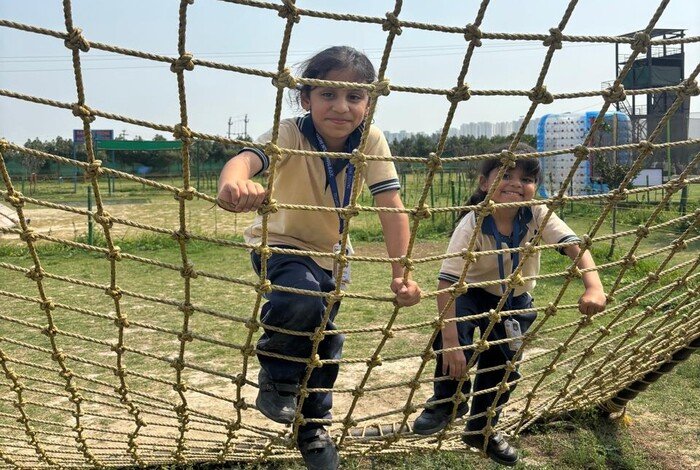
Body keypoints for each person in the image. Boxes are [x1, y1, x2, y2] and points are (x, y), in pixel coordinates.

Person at [217, 46, 421, 470]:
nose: (341, 107)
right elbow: (246, 160)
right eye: (328, 94)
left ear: (368, 104)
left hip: (332, 256)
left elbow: (391, 207)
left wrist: (400, 273)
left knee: (324, 341)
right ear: (305, 98)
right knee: (302, 298)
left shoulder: (371, 140)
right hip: (280, 243)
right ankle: (276, 377)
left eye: (354, 96)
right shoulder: (290, 132)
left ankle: (313, 428)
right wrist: (234, 183)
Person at [412, 146, 606, 466]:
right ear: (484, 183)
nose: (516, 183)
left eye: (526, 179)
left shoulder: (537, 213)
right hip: (470, 292)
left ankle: (482, 429)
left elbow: (574, 246)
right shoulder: (473, 223)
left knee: (503, 367)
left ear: (535, 187)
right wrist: (451, 344)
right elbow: (447, 282)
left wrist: (593, 285)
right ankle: (446, 402)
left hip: (515, 300)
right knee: (453, 337)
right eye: (506, 175)